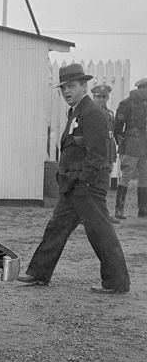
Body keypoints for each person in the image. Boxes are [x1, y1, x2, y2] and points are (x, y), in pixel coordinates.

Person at [17, 64, 129, 294]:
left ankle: (117, 283)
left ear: (83, 86)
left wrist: (85, 182)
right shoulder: (77, 111)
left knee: (101, 234)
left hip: (86, 187)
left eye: (71, 86)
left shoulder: (92, 113)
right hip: (73, 185)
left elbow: (99, 155)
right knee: (56, 228)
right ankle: (38, 273)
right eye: (63, 88)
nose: (66, 91)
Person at [113, 77, 147, 220]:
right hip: (132, 143)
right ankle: (119, 209)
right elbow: (118, 124)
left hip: (144, 144)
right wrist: (119, 139)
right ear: (141, 89)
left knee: (144, 175)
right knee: (126, 175)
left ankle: (143, 209)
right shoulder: (127, 104)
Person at [91, 84, 119, 222]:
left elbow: (111, 134)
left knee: (103, 187)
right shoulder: (90, 113)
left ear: (108, 97)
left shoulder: (109, 113)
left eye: (104, 97)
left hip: (108, 153)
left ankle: (102, 214)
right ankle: (90, 215)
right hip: (96, 154)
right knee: (93, 186)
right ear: (93, 97)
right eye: (98, 97)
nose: (101, 99)